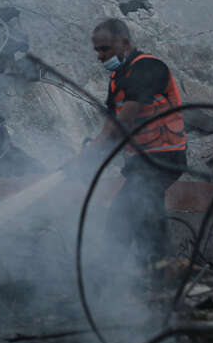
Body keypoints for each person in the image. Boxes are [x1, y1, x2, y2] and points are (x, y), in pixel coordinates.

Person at [79, 19, 187, 265]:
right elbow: (113, 131)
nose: (100, 56)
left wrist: (97, 145)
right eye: (96, 50)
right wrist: (86, 163)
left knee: (127, 212)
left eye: (104, 49)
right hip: (140, 163)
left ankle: (110, 276)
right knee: (144, 212)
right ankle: (156, 274)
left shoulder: (149, 67)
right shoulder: (117, 81)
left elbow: (126, 115)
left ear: (125, 43)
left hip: (164, 159)